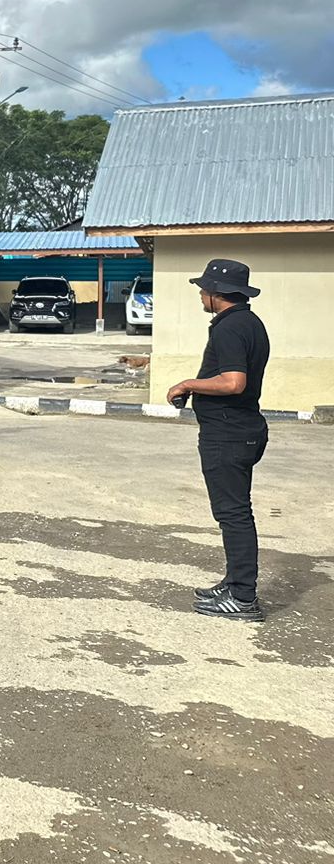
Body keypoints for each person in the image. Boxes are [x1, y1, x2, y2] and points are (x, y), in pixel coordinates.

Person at [166, 259, 271, 622]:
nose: (200, 295)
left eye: (203, 289)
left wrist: (187, 384)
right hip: (241, 429)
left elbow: (233, 382)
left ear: (217, 293)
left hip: (228, 434)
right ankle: (234, 583)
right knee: (234, 511)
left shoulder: (229, 328)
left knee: (233, 514)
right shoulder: (249, 322)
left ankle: (242, 598)